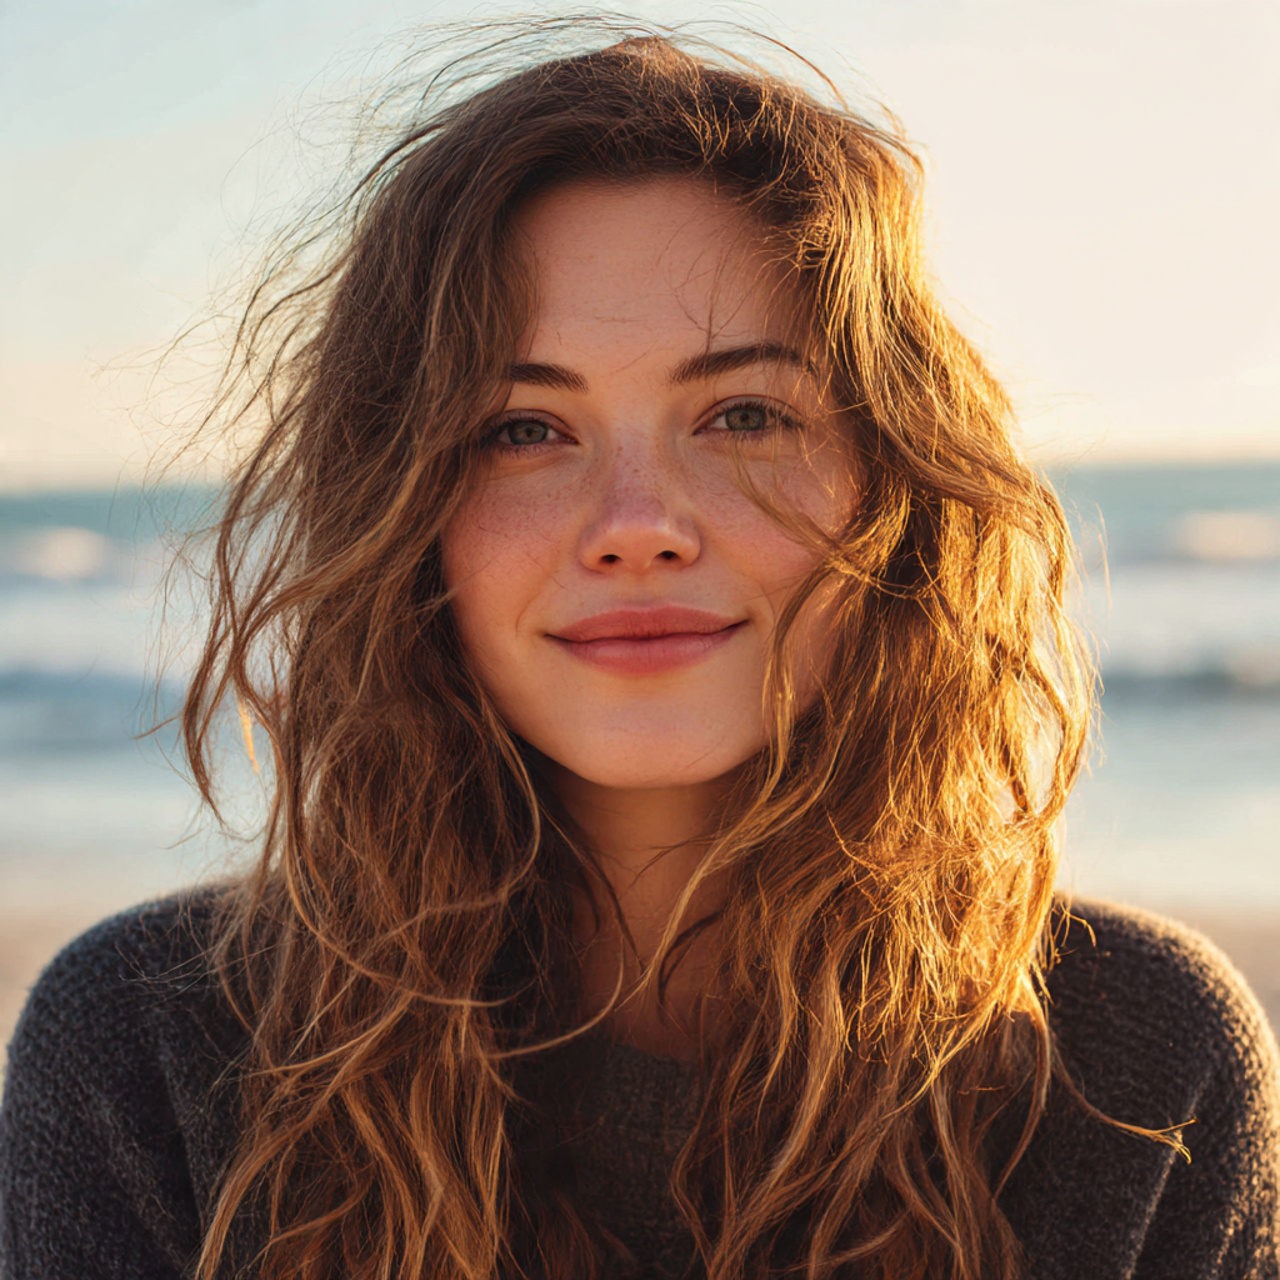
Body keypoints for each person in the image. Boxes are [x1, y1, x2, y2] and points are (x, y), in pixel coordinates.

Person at [1, 22, 1277, 1280]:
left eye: (741, 413)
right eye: (521, 429)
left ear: (894, 490)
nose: (635, 528)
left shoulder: (1135, 1067)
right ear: (400, 512)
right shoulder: (153, 1053)